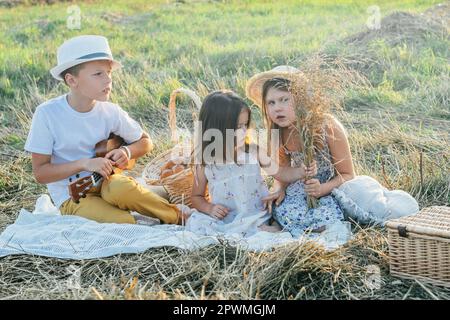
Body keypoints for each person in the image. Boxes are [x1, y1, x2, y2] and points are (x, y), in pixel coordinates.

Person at [24, 35, 183, 224]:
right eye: (98, 74)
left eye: (109, 72)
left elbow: (146, 142)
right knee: (124, 223)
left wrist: (126, 150)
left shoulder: (110, 111)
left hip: (109, 182)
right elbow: (41, 173)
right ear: (72, 80)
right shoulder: (47, 114)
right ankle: (142, 213)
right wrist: (84, 164)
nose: (108, 80)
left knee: (122, 189)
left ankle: (179, 216)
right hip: (73, 196)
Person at [185, 90, 316, 237]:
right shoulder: (206, 162)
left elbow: (280, 173)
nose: (243, 131)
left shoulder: (253, 151)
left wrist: (300, 171)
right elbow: (196, 197)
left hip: (257, 215)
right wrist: (209, 208)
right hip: (226, 219)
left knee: (274, 224)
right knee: (198, 224)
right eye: (237, 127)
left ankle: (270, 226)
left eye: (245, 125)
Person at [246, 66, 356, 237]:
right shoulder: (278, 133)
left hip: (328, 188)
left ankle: (290, 230)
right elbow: (282, 173)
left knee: (326, 217)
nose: (277, 108)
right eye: (271, 102)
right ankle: (287, 228)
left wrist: (323, 189)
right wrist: (280, 188)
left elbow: (348, 174)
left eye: (284, 100)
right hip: (299, 189)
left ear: (300, 100)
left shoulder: (327, 126)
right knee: (277, 207)